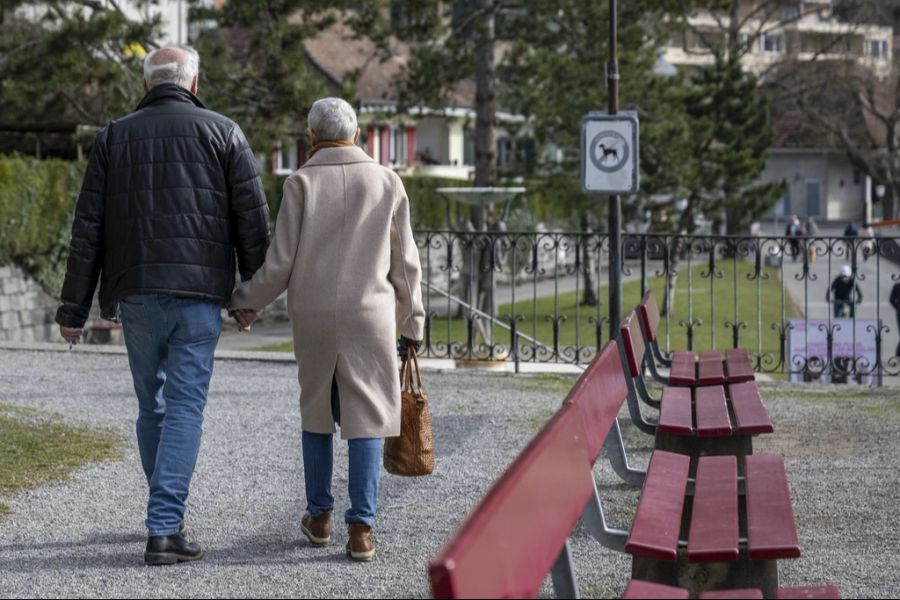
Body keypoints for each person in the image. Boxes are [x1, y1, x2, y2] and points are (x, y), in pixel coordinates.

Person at [55, 46, 270, 565]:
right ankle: (164, 526)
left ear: (147, 83)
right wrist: (251, 297)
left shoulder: (113, 136)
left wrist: (72, 310)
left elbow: (89, 230)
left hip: (136, 294)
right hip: (198, 298)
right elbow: (252, 223)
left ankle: (163, 514)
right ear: (195, 83)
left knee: (151, 404)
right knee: (185, 408)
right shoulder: (225, 132)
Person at [228, 97, 425, 562]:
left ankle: (319, 517)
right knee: (370, 415)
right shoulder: (386, 181)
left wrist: (245, 302)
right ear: (356, 134)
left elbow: (279, 264)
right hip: (370, 314)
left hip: (314, 313)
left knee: (316, 411)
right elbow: (405, 265)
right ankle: (362, 529)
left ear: (312, 137)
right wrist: (413, 322)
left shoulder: (299, 183)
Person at [891, 282, 900, 357]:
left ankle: (898, 352)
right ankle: (898, 352)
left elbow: (891, 300)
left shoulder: (897, 286)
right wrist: (897, 307)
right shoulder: (897, 286)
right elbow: (891, 299)